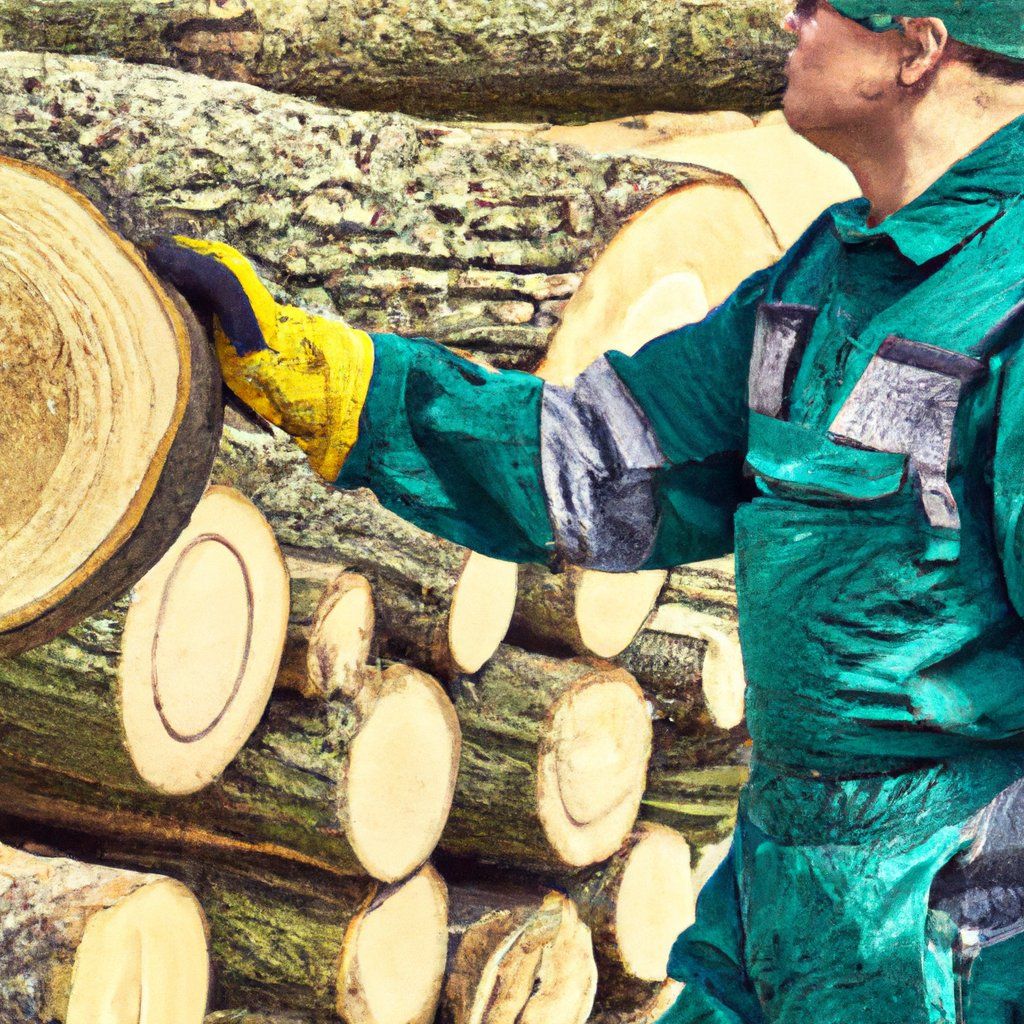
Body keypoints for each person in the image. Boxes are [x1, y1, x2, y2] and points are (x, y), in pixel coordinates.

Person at [148, 3, 1024, 1020]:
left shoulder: (1007, 300)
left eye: (822, 4)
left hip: (958, 935)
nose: (791, 18)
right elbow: (599, 460)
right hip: (783, 893)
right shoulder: (824, 280)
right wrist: (339, 385)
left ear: (915, 46)